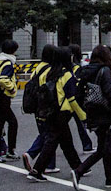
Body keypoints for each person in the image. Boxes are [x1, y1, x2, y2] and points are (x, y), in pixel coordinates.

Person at [29, 47, 86, 183]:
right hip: (62, 112)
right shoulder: (66, 75)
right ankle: (37, 170)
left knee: (65, 140)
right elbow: (72, 98)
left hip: (48, 110)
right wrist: (83, 115)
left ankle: (78, 166)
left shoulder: (48, 72)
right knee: (53, 141)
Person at [74, 45, 111, 189]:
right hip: (104, 112)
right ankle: (79, 171)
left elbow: (78, 94)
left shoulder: (86, 71)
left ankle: (110, 178)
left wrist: (86, 107)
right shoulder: (105, 70)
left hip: (92, 111)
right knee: (103, 148)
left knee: (104, 144)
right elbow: (109, 92)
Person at [21, 45, 61, 175]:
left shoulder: (37, 67)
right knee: (49, 134)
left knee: (46, 133)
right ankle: (33, 154)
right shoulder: (49, 69)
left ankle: (49, 163)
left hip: (36, 105)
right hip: (45, 106)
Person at [0, 40, 20, 162]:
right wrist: (12, 88)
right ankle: (9, 151)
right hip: (3, 97)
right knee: (12, 123)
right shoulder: (8, 63)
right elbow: (3, 79)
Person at [70, 45, 95, 154]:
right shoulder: (78, 68)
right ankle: (87, 145)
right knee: (81, 123)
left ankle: (87, 145)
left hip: (65, 101)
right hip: (75, 101)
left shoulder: (66, 67)